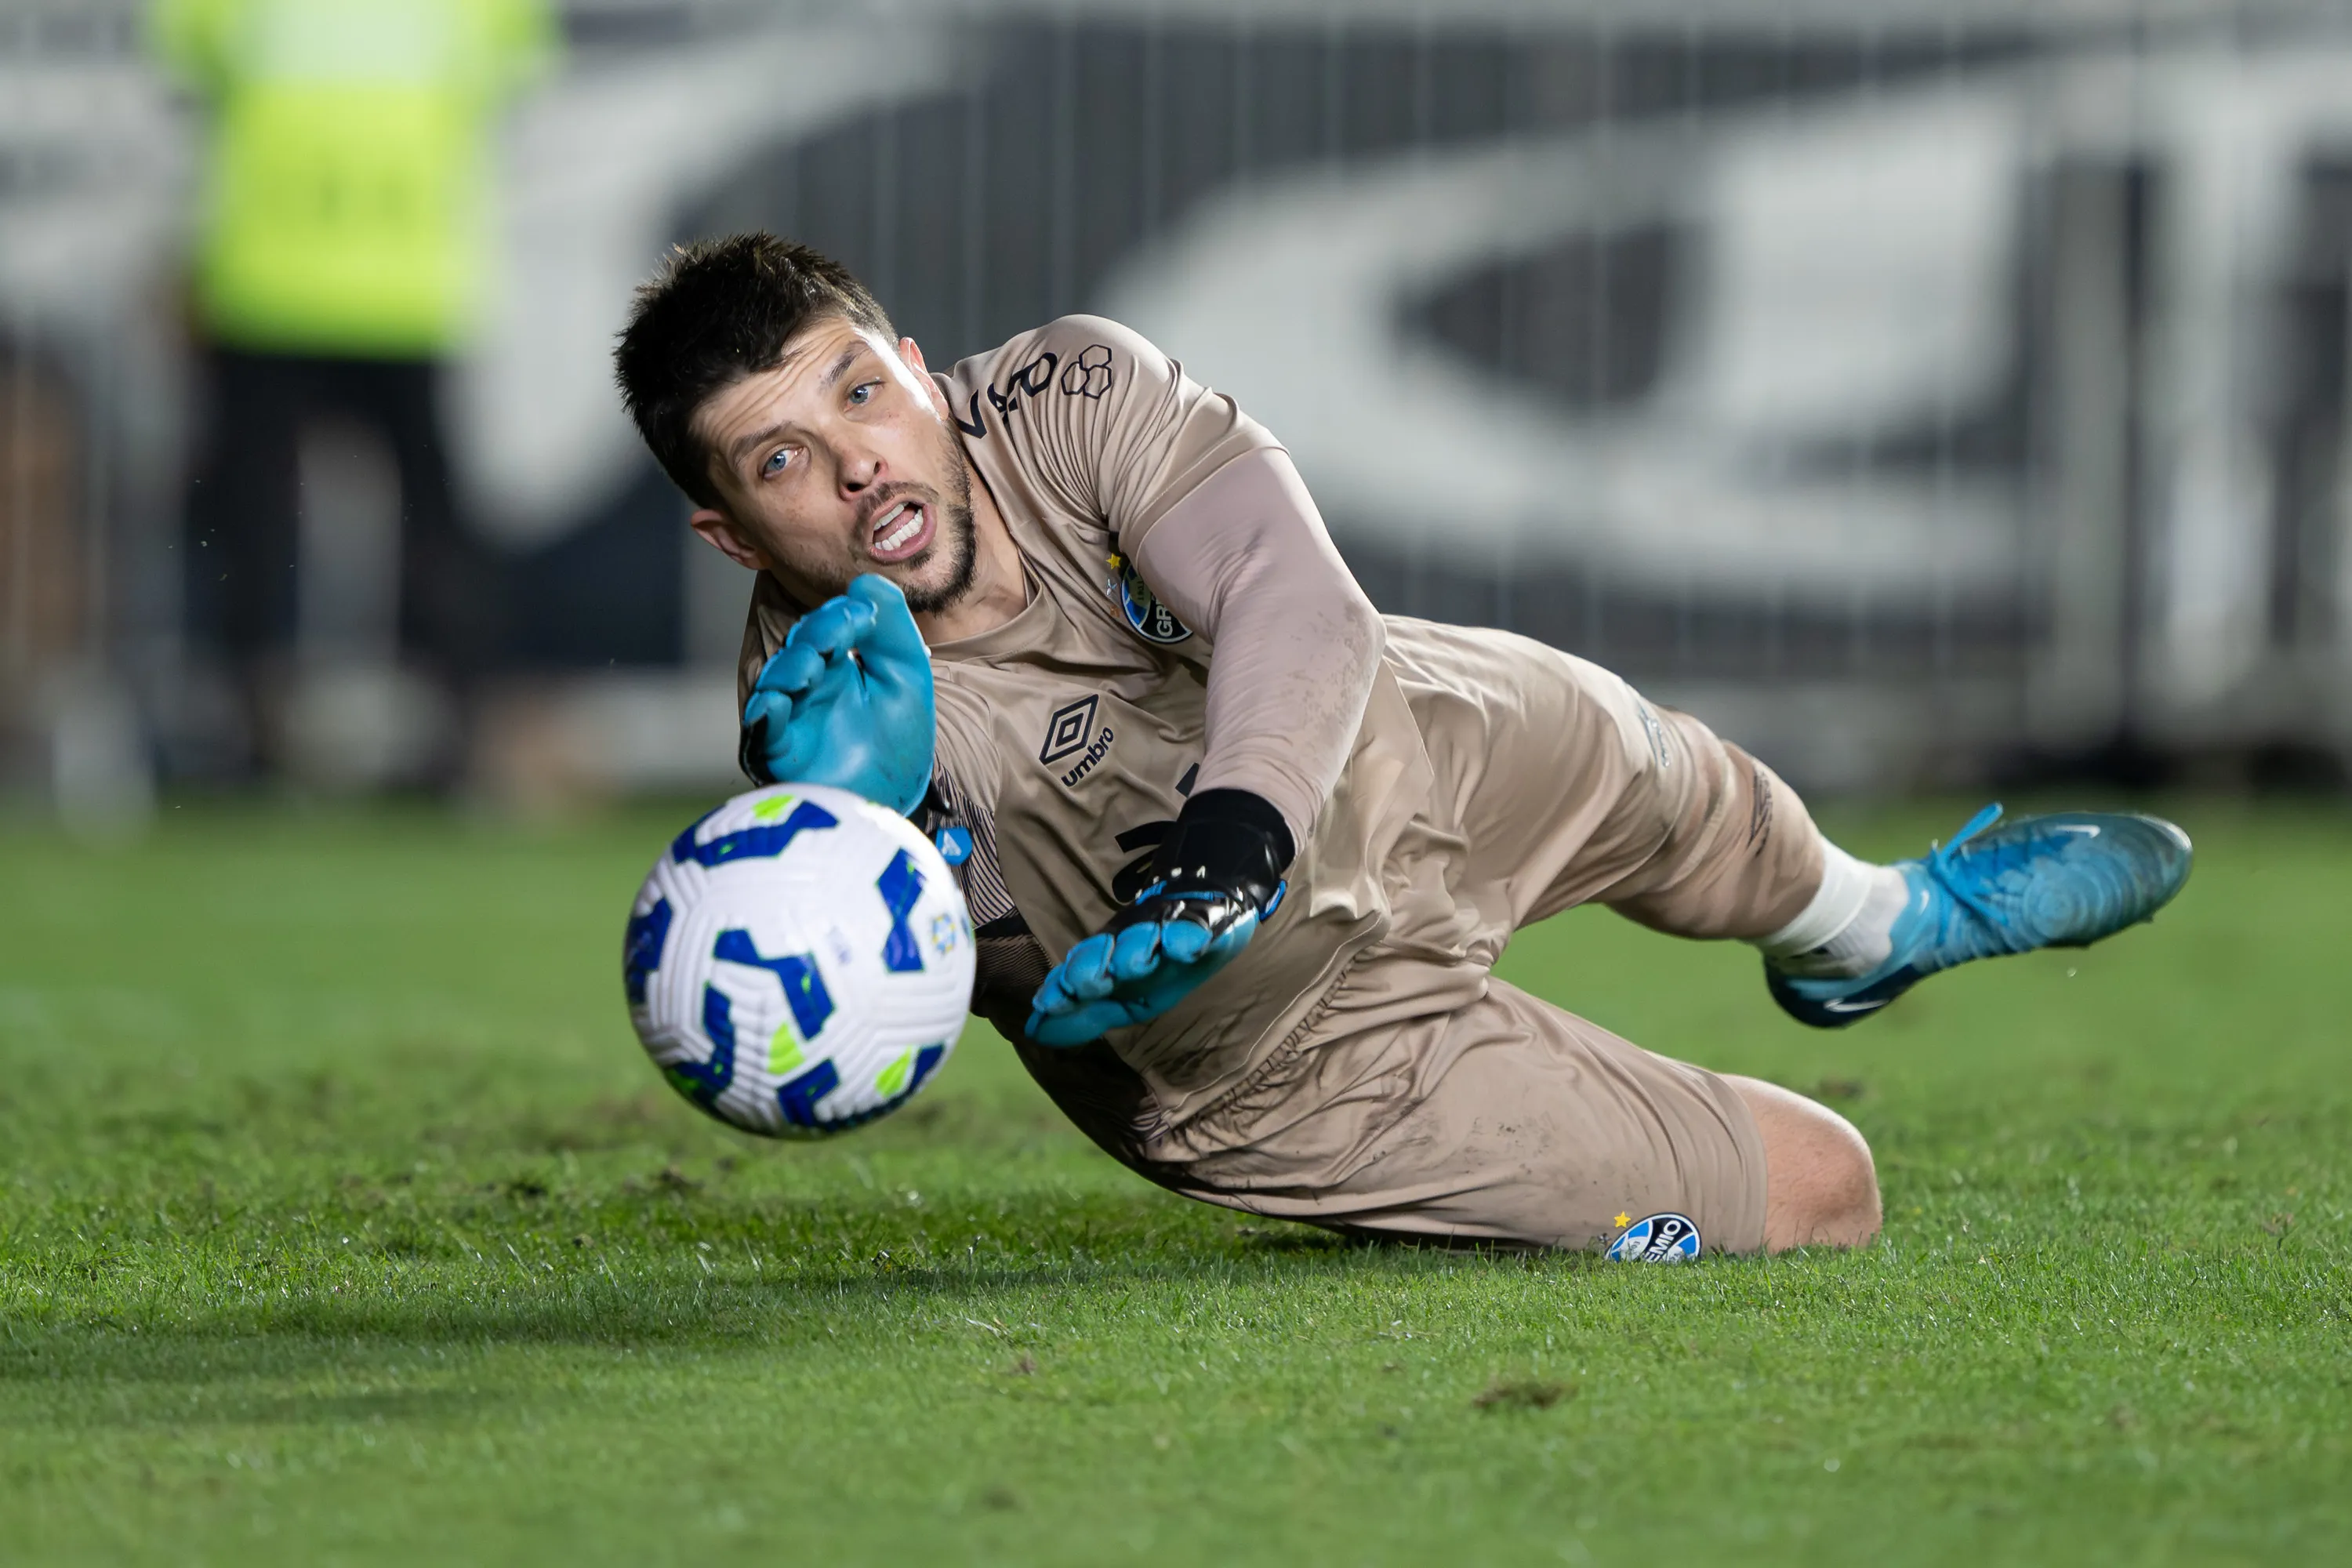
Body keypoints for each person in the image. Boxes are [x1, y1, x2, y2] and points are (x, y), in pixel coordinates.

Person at [611, 234, 2192, 1257]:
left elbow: (1285, 587)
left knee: (1668, 771)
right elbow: (918, 1012)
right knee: (1827, 1190)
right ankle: (1446, 1183)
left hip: (1372, 754)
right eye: (784, 460)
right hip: (1286, 1059)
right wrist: (879, 837)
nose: (861, 466)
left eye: (862, 393)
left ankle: (1874, 928)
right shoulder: (817, 750)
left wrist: (1236, 833)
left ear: (915, 363)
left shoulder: (1067, 388)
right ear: (731, 532)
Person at [154, 0, 556, 779]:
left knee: (262, 518)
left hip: (278, 274)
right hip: (392, 276)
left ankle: (254, 729)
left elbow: (190, 67)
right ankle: (443, 731)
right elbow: (512, 77)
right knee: (419, 522)